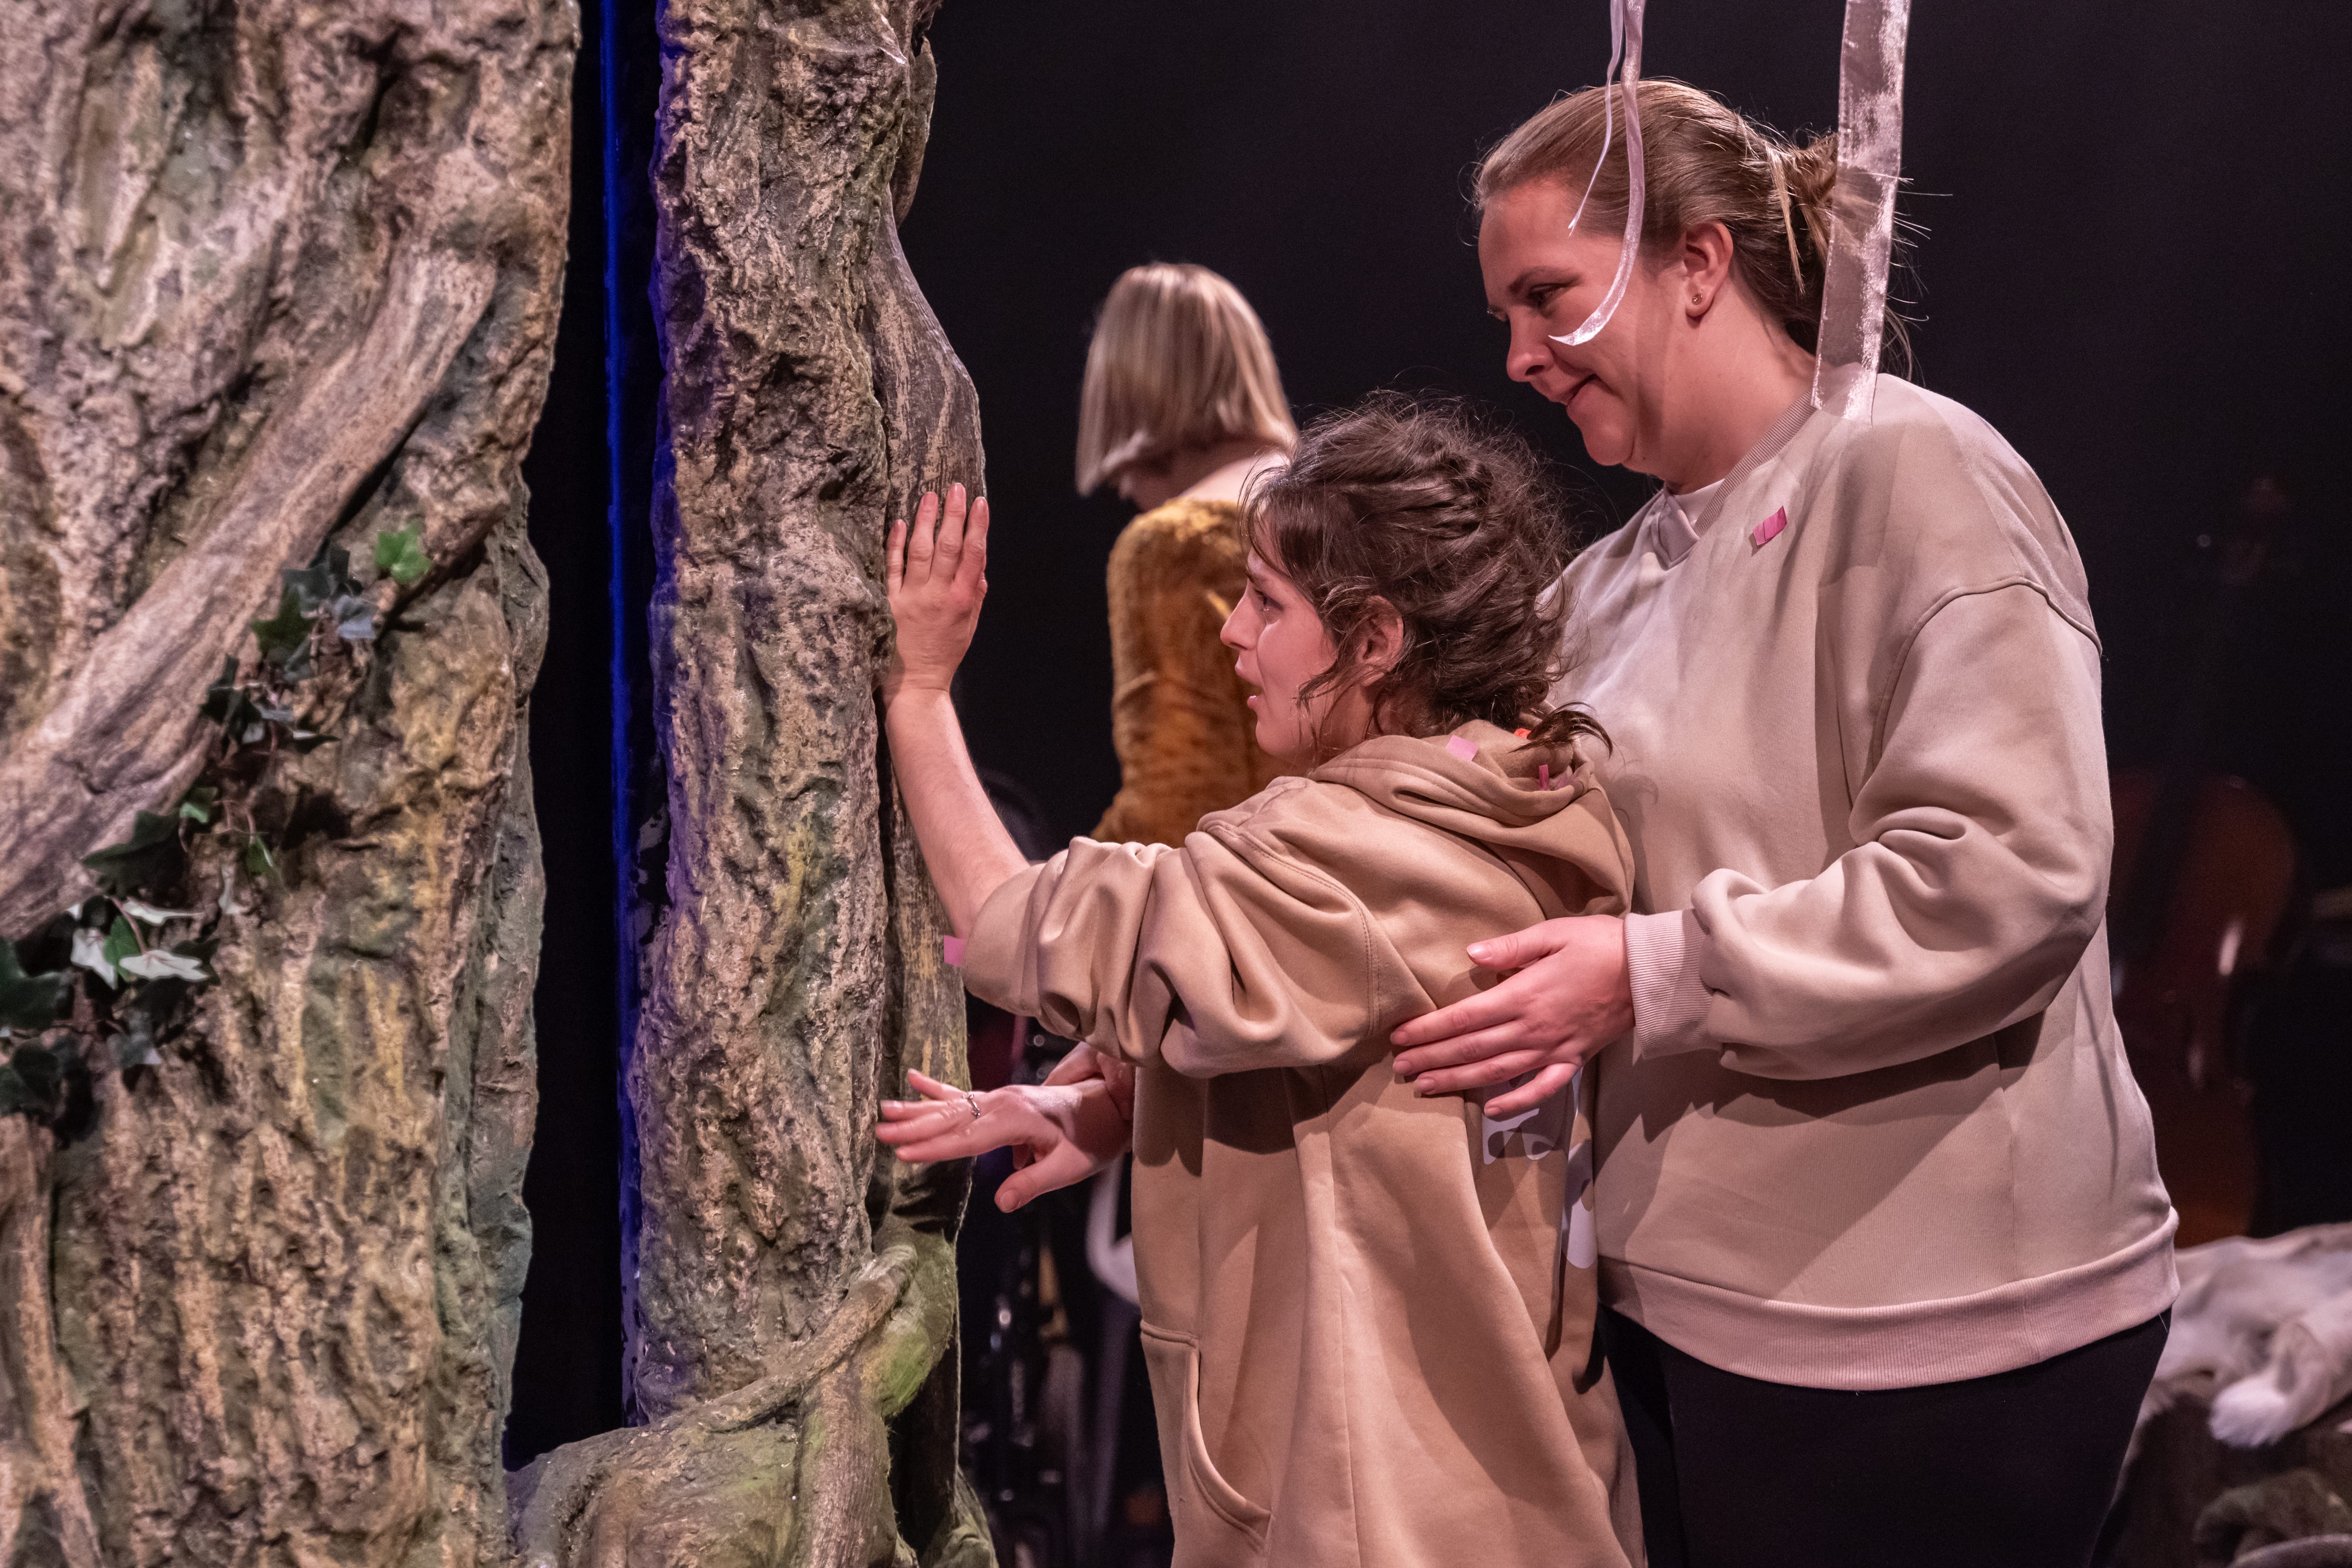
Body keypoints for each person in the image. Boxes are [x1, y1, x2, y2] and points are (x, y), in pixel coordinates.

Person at [1385, 80, 2177, 1568]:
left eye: (1548, 296)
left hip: (1923, 1336)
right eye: (1505, 313)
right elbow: (1453, 854)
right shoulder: (1608, 581)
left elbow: (2002, 874)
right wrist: (1142, 1058)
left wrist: (1648, 972)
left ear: (1697, 261)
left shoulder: (1915, 473)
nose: (1517, 357)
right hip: (1685, 1309)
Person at [875, 400, 1642, 1567]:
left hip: (1381, 1513)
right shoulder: (1519, 807)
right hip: (1502, 1473)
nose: (1234, 633)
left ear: (1375, 639)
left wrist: (920, 698)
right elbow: (1355, 1061)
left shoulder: (1366, 852)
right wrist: (1124, 1102)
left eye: (1268, 603)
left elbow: (1018, 921)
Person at [1078, 263, 1296, 849]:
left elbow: (1179, 805)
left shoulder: (1175, 547)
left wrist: (1035, 896)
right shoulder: (1351, 515)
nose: (1121, 488)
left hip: (1248, 912)